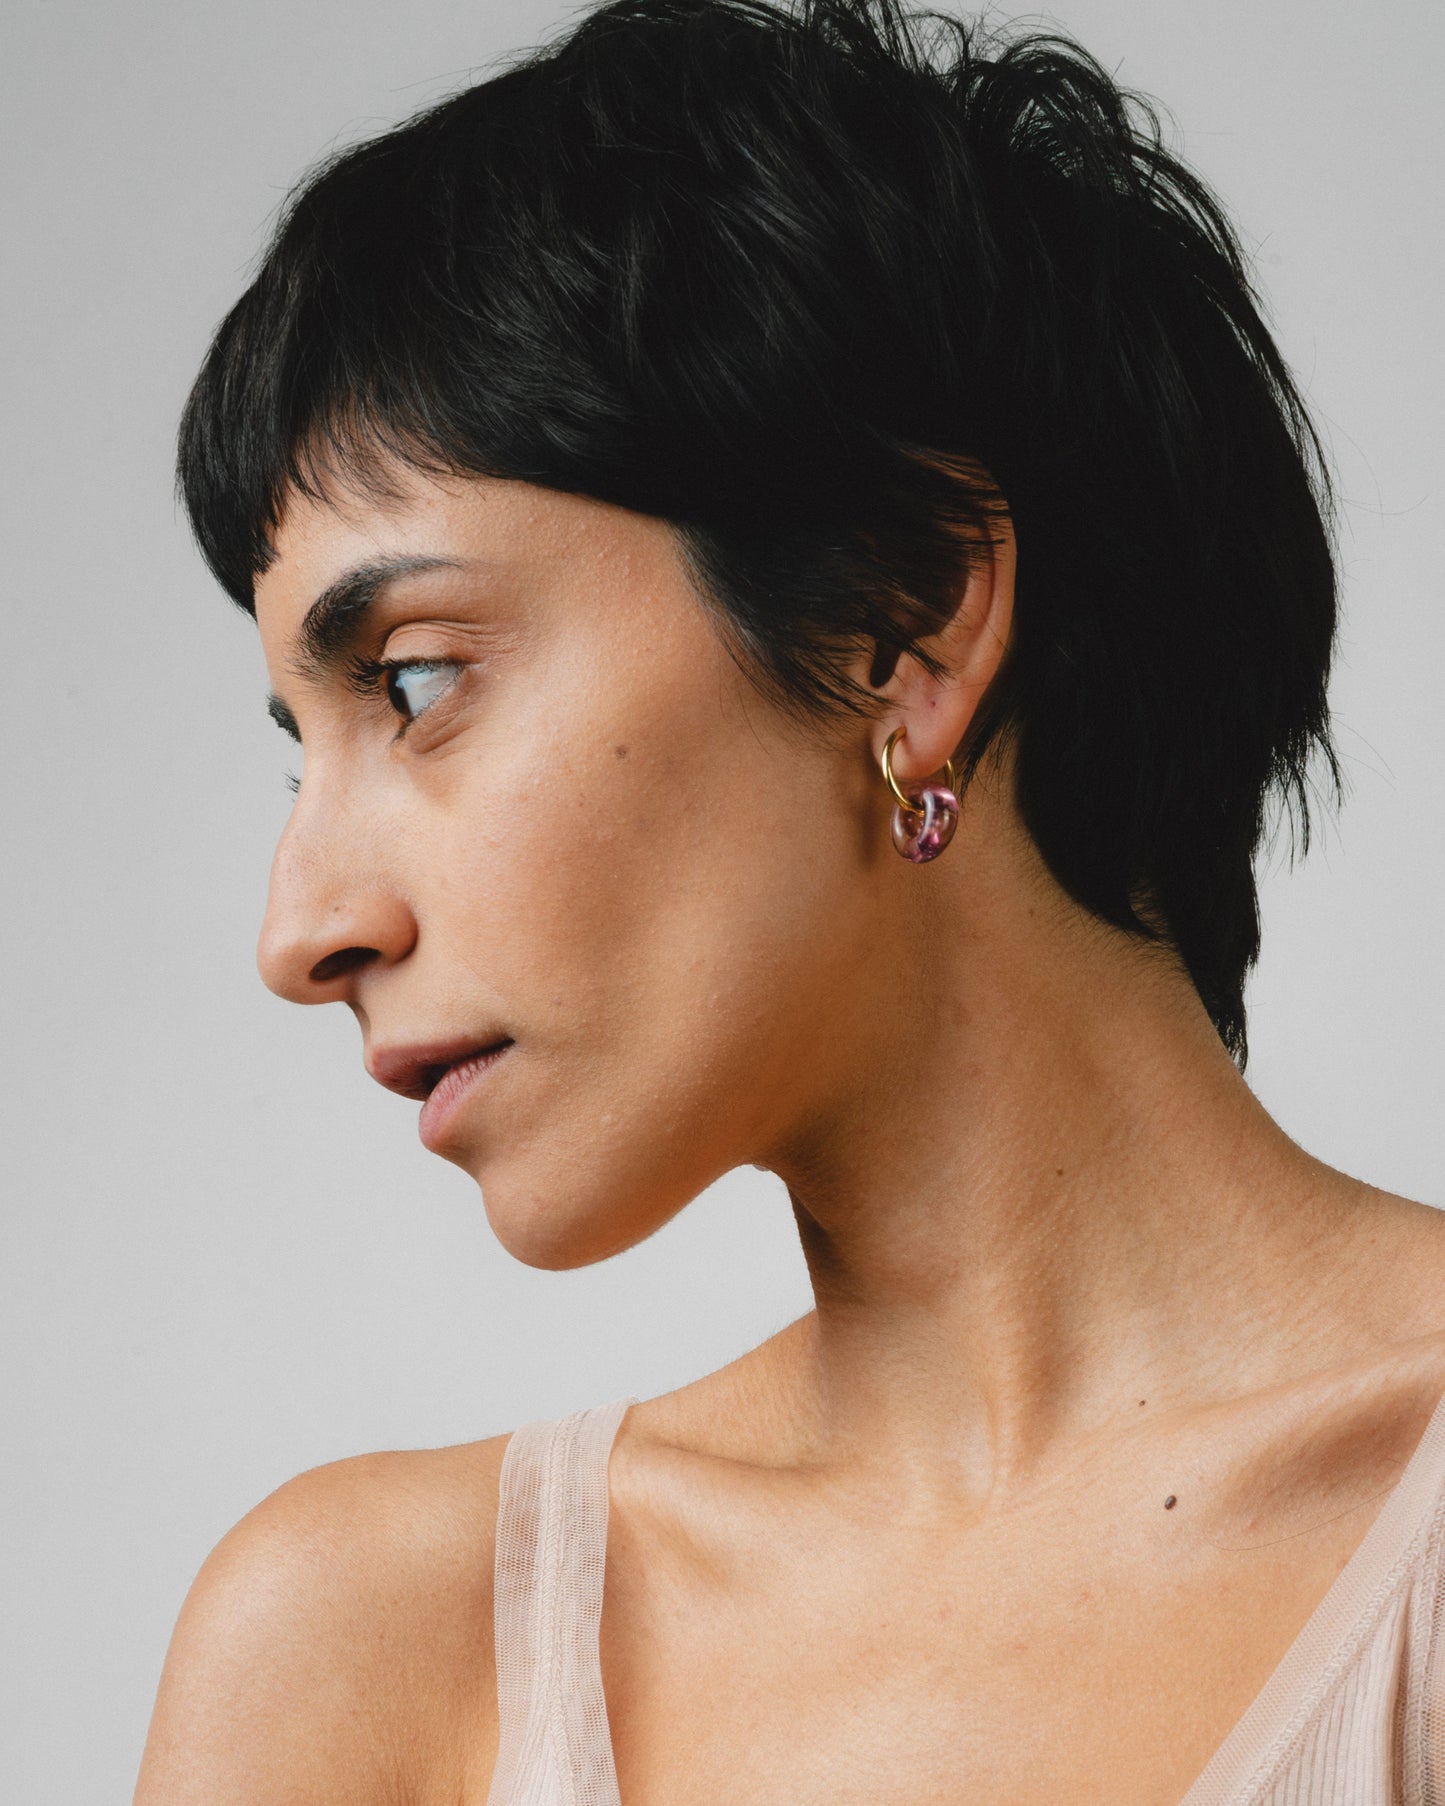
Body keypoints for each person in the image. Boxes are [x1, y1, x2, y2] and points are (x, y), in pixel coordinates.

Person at [135, 1, 1445, 1800]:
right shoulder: (370, 1655)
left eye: (417, 686)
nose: (300, 930)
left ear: (901, 624)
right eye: (301, 741)